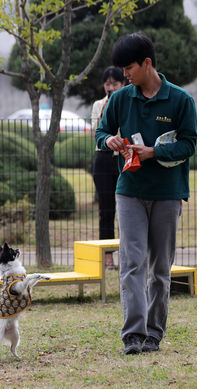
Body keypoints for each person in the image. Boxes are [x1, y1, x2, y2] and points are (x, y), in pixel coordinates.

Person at [95, 32, 197, 355]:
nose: (125, 75)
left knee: (160, 270)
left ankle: (154, 333)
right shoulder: (121, 99)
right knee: (132, 263)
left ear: (147, 63)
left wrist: (154, 152)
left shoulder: (181, 100)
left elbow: (189, 144)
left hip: (167, 193)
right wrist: (107, 140)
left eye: (129, 67)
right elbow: (101, 132)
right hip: (130, 191)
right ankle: (133, 335)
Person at [91, 66, 127, 269]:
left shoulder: (128, 101)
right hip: (103, 158)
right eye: (107, 84)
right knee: (106, 210)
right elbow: (95, 134)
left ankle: (127, 255)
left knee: (127, 208)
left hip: (123, 156)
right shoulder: (98, 105)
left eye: (115, 83)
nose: (111, 87)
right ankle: (108, 258)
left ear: (123, 84)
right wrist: (105, 110)